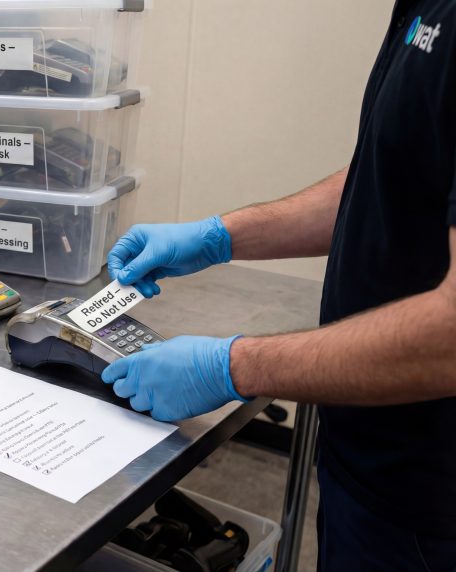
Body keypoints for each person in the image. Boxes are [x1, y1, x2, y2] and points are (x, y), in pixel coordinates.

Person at [100, 2, 456, 570]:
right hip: (370, 464)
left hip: (430, 509)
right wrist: (218, 237)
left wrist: (232, 366)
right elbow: (389, 177)